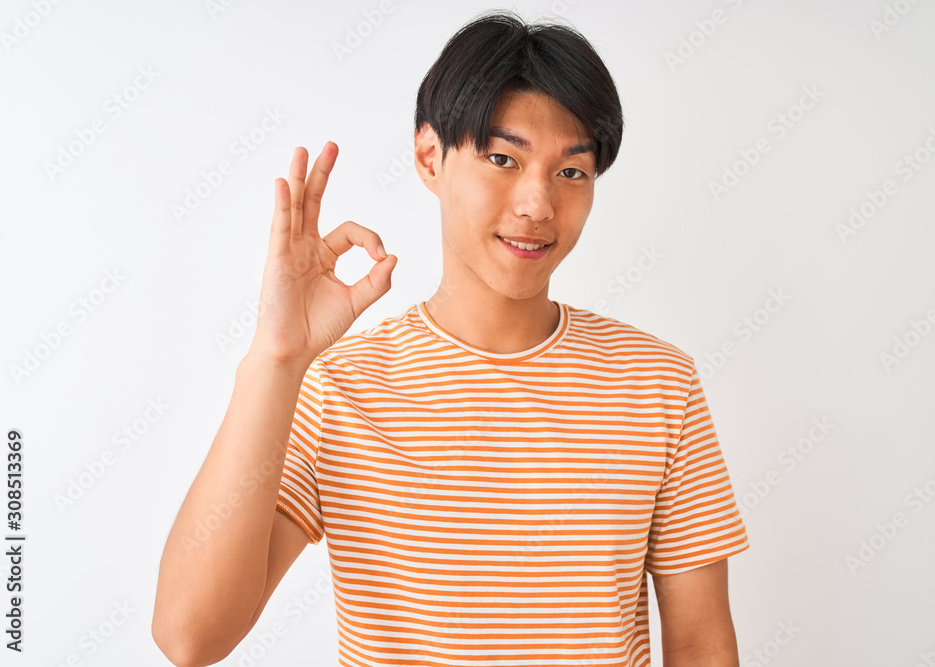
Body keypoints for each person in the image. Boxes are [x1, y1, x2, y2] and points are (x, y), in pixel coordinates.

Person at [152, 10, 750, 666]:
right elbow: (190, 635)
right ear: (429, 156)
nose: (537, 203)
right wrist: (276, 357)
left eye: (571, 171)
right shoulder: (340, 386)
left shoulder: (658, 383)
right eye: (503, 157)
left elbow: (700, 643)